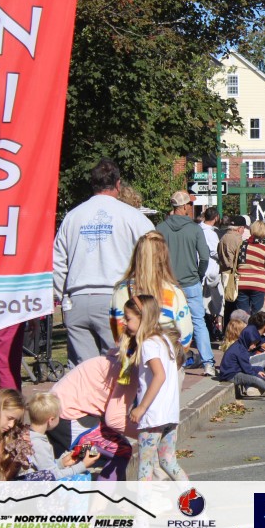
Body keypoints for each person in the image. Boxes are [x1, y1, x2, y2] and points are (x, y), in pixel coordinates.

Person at [53, 158, 154, 365]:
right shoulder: (133, 217)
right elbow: (153, 255)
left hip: (77, 298)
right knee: (118, 366)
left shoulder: (73, 217)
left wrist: (59, 295)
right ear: (118, 183)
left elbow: (58, 262)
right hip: (116, 298)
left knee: (83, 371)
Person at [121, 294, 188, 482]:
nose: (124, 322)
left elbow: (160, 375)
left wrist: (141, 407)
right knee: (168, 461)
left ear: (142, 318)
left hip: (153, 416)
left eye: (128, 318)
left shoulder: (148, 344)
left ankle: (144, 501)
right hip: (169, 413)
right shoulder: (163, 340)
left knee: (145, 466)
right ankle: (192, 497)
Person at [109, 231, 194, 369]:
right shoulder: (174, 292)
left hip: (132, 363)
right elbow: (185, 336)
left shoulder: (121, 290)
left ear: (137, 255)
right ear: (164, 257)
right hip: (166, 363)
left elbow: (117, 332)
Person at [48, 349, 136, 481]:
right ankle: (103, 494)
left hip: (58, 410)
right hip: (69, 418)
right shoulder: (128, 372)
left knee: (96, 452)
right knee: (122, 450)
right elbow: (114, 420)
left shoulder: (112, 360)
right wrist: (145, 435)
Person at [156, 191, 213, 376]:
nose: (191, 207)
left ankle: (169, 361)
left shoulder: (160, 229)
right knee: (198, 322)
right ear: (184, 207)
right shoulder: (194, 229)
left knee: (167, 323)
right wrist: (199, 274)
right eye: (189, 204)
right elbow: (204, 257)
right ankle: (208, 363)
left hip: (167, 283)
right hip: (190, 282)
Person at [22, 393, 99, 480]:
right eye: (58, 416)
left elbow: (43, 466)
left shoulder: (30, 436)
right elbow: (51, 476)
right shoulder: (39, 444)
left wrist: (61, 463)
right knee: (87, 477)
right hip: (41, 485)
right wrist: (82, 465)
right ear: (51, 420)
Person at [235, 221, 265, 314]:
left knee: (242, 314)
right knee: (257, 314)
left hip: (242, 282)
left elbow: (238, 261)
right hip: (258, 284)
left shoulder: (242, 245)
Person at [200, 208, 224, 343]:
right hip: (211, 271)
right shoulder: (211, 233)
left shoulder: (198, 229)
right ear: (216, 217)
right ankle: (213, 329)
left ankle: (210, 329)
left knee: (203, 302)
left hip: (200, 271)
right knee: (216, 303)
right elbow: (215, 252)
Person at [218, 215, 246, 328]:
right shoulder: (238, 240)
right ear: (239, 228)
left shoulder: (223, 237)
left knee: (227, 304)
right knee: (236, 304)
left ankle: (226, 330)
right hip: (234, 275)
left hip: (224, 273)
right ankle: (235, 329)